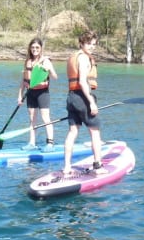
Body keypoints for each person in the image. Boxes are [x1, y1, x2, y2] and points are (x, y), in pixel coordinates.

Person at [63, 30, 103, 175]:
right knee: (95, 132)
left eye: (94, 44)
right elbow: (82, 81)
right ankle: (98, 166)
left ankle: (67, 167)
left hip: (71, 97)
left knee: (73, 131)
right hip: (82, 97)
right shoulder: (84, 58)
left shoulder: (73, 56)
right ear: (81, 43)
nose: (92, 47)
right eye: (88, 44)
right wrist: (91, 102)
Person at [18, 37, 59, 151]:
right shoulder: (28, 61)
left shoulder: (46, 61)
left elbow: (55, 77)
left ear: (41, 48)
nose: (34, 49)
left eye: (37, 47)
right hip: (30, 93)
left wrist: (49, 69)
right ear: (30, 48)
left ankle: (50, 143)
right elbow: (24, 80)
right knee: (32, 119)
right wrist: (20, 95)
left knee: (45, 117)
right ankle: (32, 143)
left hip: (42, 93)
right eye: (32, 47)